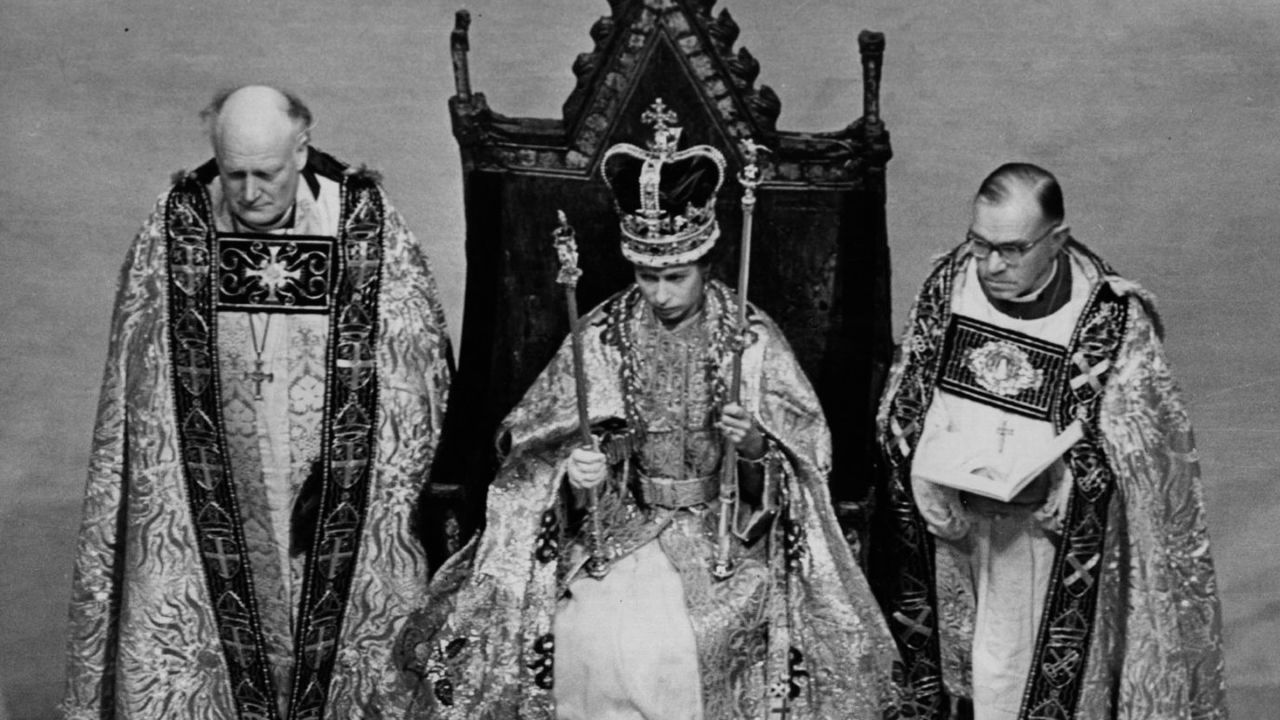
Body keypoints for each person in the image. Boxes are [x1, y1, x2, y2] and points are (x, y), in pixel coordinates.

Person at [397, 103, 895, 719]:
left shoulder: (750, 338)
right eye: (646, 275)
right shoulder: (603, 333)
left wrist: (753, 450)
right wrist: (580, 479)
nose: (658, 293)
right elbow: (539, 443)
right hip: (624, 528)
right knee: (588, 635)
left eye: (675, 277)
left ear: (707, 262)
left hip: (726, 537)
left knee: (678, 646)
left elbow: (805, 460)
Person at [61, 85, 453, 719]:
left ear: (301, 148)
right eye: (233, 172)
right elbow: (140, 393)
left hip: (332, 504)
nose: (247, 193)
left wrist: (353, 471)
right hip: (210, 495)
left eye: (265, 174)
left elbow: (417, 383)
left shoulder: (365, 227)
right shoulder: (176, 227)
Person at [872, 162, 1227, 719]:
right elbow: (907, 399)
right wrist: (924, 468)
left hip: (1050, 544)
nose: (991, 265)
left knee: (1019, 682)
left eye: (1012, 249)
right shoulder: (949, 285)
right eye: (980, 243)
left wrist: (1075, 477)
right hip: (956, 534)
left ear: (1056, 240)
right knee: (971, 678)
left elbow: (1145, 455)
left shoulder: (1108, 320)